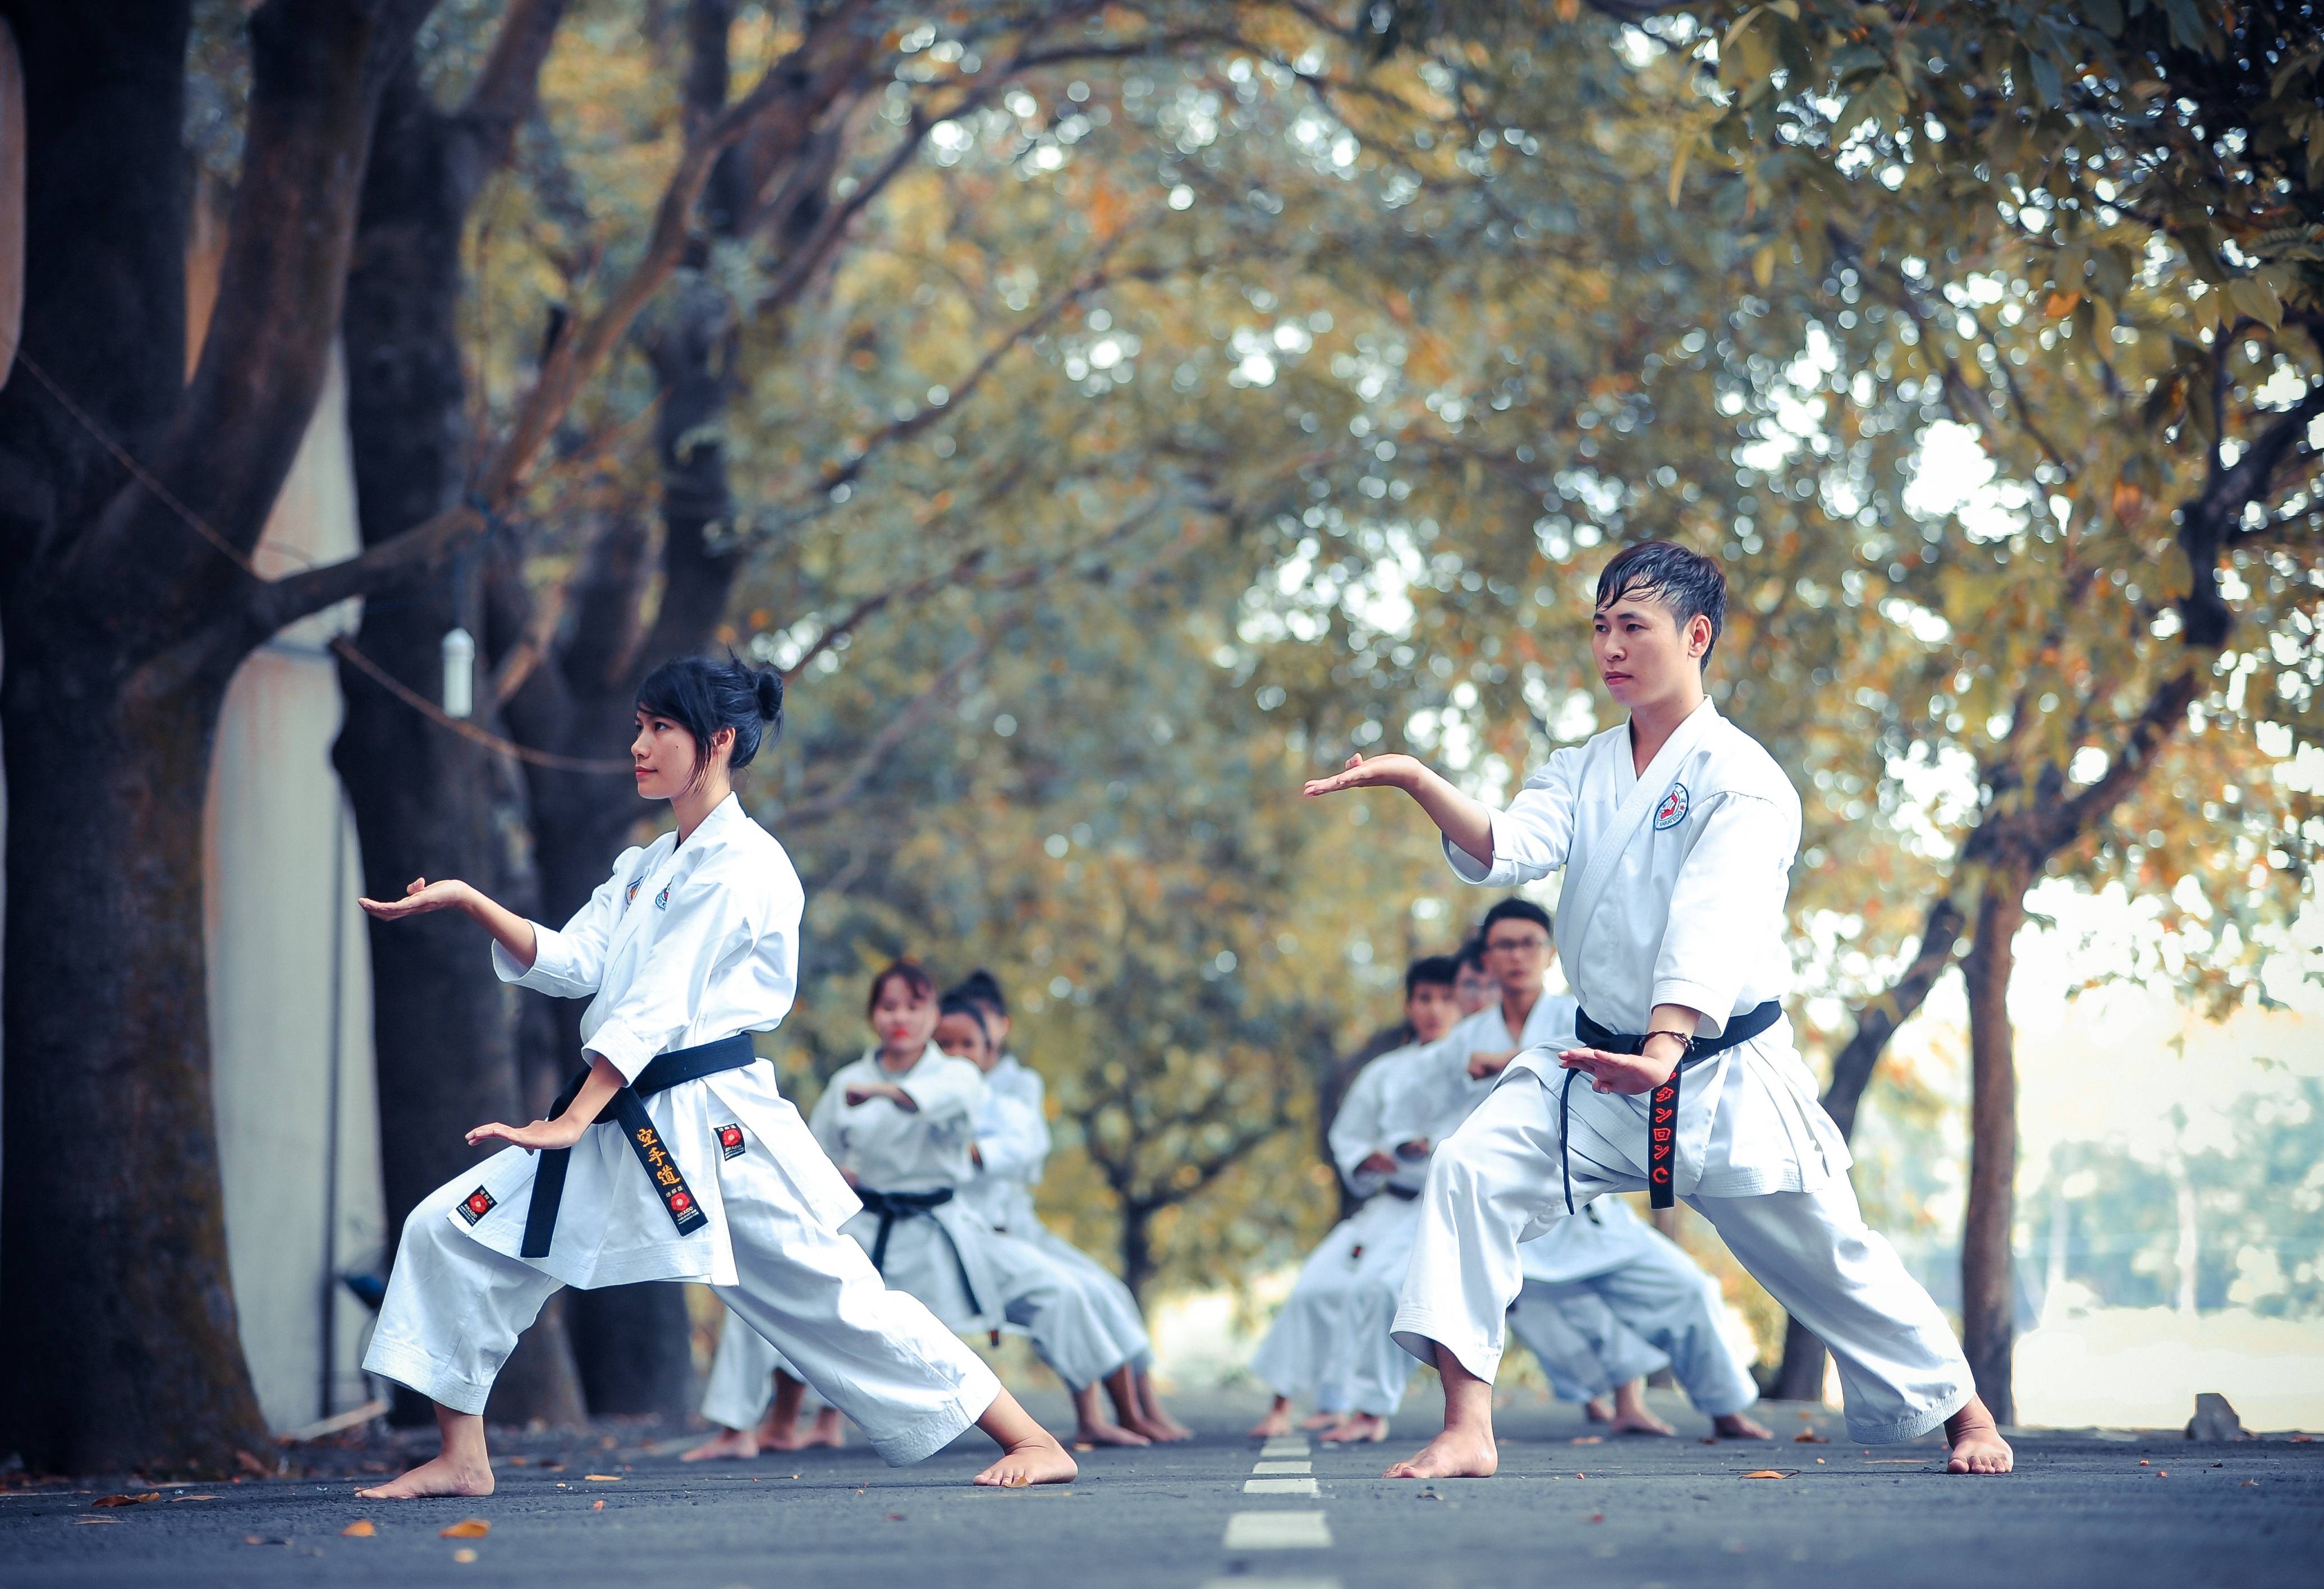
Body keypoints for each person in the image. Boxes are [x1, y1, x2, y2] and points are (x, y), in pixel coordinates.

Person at [1304, 539, 2011, 1478]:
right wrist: (1416, 779)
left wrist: (1666, 1042)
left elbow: (1708, 923)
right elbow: (1509, 845)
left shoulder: (1743, 779)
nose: (1610, 647)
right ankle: (1468, 1426)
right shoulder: (1585, 766)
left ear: (1696, 635)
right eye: (1599, 627)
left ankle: (1966, 1412)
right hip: (1595, 1065)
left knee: (1828, 1254)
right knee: (1472, 1168)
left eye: (1631, 625)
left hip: (1720, 1073)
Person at [353, 655, 1074, 1495]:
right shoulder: (649, 864)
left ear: (719, 741)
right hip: (625, 1115)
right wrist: (471, 901)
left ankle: (1031, 1438)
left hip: (713, 1125)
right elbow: (576, 960)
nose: (640, 744)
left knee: (833, 1299)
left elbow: (658, 1005)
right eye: (639, 725)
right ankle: (461, 1456)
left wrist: (574, 1117)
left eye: (662, 727)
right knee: (451, 1228)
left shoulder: (744, 865)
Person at [694, 964, 1147, 1452]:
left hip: (947, 1233)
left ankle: (1091, 1418)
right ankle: (740, 1429)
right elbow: (814, 1149)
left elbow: (933, 1101)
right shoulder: (848, 1080)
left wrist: (884, 1094)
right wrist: (835, 1173)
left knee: (1060, 1291)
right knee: (769, 1287)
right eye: (888, 1007)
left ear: (934, 1015)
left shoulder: (956, 1073)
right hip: (866, 1227)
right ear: (872, 1016)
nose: (900, 1018)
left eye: (914, 1006)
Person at [951, 971, 1193, 1444]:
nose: (961, 1050)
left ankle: (1140, 1409)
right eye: (949, 1041)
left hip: (1015, 1225)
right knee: (1073, 1294)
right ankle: (1114, 1415)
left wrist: (976, 1153)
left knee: (1105, 1292)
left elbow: (1022, 1148)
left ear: (999, 1027)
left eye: (976, 1033)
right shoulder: (921, 1084)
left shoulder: (1015, 1086)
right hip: (963, 1230)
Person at [1246, 955, 1464, 1440]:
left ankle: (1367, 1411)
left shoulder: (1475, 1066)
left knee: (1379, 1290)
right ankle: (1286, 1403)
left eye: (1447, 998)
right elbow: (1350, 1137)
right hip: (1387, 1203)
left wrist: (1430, 1146)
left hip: (1442, 1210)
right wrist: (1369, 1160)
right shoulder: (1384, 1073)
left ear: (1464, 1002)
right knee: (1316, 1286)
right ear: (1409, 1004)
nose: (1434, 1009)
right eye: (1424, 998)